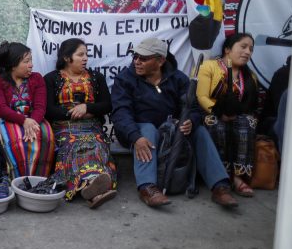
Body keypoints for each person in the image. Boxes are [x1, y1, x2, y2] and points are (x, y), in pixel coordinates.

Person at [110, 37, 238, 209]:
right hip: (136, 131)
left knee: (198, 131)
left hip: (170, 130)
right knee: (147, 129)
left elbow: (194, 108)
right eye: (136, 57)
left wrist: (190, 121)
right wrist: (135, 136)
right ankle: (148, 188)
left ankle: (219, 186)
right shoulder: (125, 79)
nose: (137, 62)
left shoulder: (178, 79)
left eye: (144, 58)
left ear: (161, 60)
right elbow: (121, 114)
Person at [44, 38, 117, 208]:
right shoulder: (51, 79)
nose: (85, 58)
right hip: (64, 128)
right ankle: (94, 187)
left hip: (92, 127)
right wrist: (74, 113)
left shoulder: (95, 78)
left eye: (86, 54)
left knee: (96, 143)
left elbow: (107, 105)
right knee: (74, 145)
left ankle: (91, 187)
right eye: (80, 54)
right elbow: (48, 110)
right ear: (67, 58)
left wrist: (87, 107)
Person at [196, 33, 259, 198]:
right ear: (227, 49)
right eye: (243, 47)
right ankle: (221, 175)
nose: (247, 52)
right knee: (215, 123)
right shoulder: (209, 66)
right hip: (211, 112)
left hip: (236, 115)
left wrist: (236, 113)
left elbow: (250, 105)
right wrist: (219, 111)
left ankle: (238, 177)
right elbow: (201, 96)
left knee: (248, 122)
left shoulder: (250, 76)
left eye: (251, 49)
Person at [0, 41, 54, 178]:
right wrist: (24, 121)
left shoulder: (37, 78)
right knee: (15, 139)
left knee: (45, 135)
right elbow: (1, 108)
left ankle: (39, 178)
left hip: (36, 118)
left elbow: (40, 107)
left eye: (31, 60)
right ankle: (17, 179)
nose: (31, 65)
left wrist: (32, 122)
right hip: (8, 119)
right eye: (26, 61)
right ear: (13, 64)